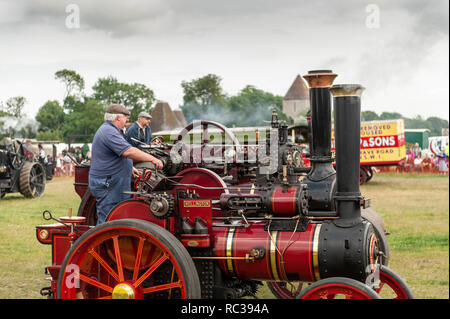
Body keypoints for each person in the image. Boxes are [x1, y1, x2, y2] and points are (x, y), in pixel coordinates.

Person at [89, 104, 163, 225]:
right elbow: (128, 151)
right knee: (108, 219)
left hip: (111, 182)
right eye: (125, 118)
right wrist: (153, 159)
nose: (127, 121)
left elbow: (117, 154)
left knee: (116, 216)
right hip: (108, 183)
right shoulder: (109, 131)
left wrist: (130, 167)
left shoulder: (113, 130)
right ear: (118, 118)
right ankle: (101, 243)